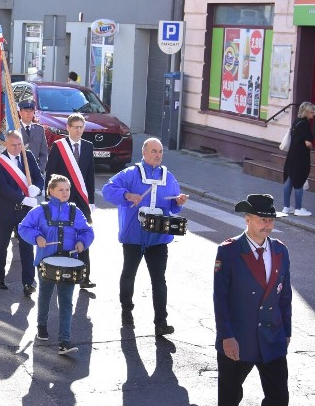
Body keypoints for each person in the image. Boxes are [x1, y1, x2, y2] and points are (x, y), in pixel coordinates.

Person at [214, 194, 292, 406]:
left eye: (271, 220)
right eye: (261, 219)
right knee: (229, 399)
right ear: (247, 219)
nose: (267, 225)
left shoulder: (280, 250)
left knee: (279, 397)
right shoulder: (229, 251)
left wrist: (286, 331)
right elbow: (221, 298)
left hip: (272, 337)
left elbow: (285, 295)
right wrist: (227, 336)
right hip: (239, 338)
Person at [101, 137, 188, 335]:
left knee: (159, 280)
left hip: (158, 239)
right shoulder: (131, 174)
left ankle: (161, 322)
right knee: (129, 274)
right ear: (144, 153)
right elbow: (107, 190)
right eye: (154, 151)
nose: (158, 155)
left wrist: (179, 201)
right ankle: (126, 310)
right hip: (134, 236)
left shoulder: (169, 177)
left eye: (160, 152)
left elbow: (173, 206)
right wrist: (126, 195)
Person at [19, 174, 94, 355]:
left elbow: (87, 231)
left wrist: (82, 243)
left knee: (67, 302)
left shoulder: (76, 212)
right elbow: (23, 227)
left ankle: (64, 341)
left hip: (69, 263)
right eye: (60, 189)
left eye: (67, 189)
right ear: (50, 191)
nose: (65, 193)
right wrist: (37, 237)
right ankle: (42, 326)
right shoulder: (39, 210)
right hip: (46, 262)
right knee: (45, 296)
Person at [45, 112, 96, 288]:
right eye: (75, 127)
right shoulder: (59, 146)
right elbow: (50, 173)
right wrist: (49, 197)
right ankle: (58, 272)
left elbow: (90, 175)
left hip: (81, 199)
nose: (79, 131)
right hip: (61, 198)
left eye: (81, 127)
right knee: (61, 235)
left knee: (83, 233)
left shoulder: (88, 146)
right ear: (68, 128)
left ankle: (85, 277)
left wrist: (91, 201)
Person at [0, 131, 45, 296]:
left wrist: (37, 188)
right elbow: (4, 188)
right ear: (6, 144)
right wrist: (23, 199)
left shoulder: (27, 156)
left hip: (24, 212)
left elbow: (38, 177)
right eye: (13, 145)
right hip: (5, 210)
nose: (16, 148)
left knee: (27, 246)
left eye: (19, 144)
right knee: (2, 244)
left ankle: (28, 282)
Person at [281, 102, 315, 216]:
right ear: (305, 112)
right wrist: (311, 146)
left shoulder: (296, 121)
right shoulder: (305, 124)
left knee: (289, 180)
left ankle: (286, 207)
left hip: (291, 155)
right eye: (311, 111)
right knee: (299, 181)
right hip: (301, 156)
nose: (314, 114)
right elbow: (307, 143)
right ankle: (298, 208)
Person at [17, 99, 48, 173]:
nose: (29, 114)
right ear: (20, 112)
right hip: (19, 171)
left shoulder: (39, 129)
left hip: (36, 171)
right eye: (26, 111)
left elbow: (44, 153)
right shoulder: (15, 128)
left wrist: (40, 169)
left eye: (31, 111)